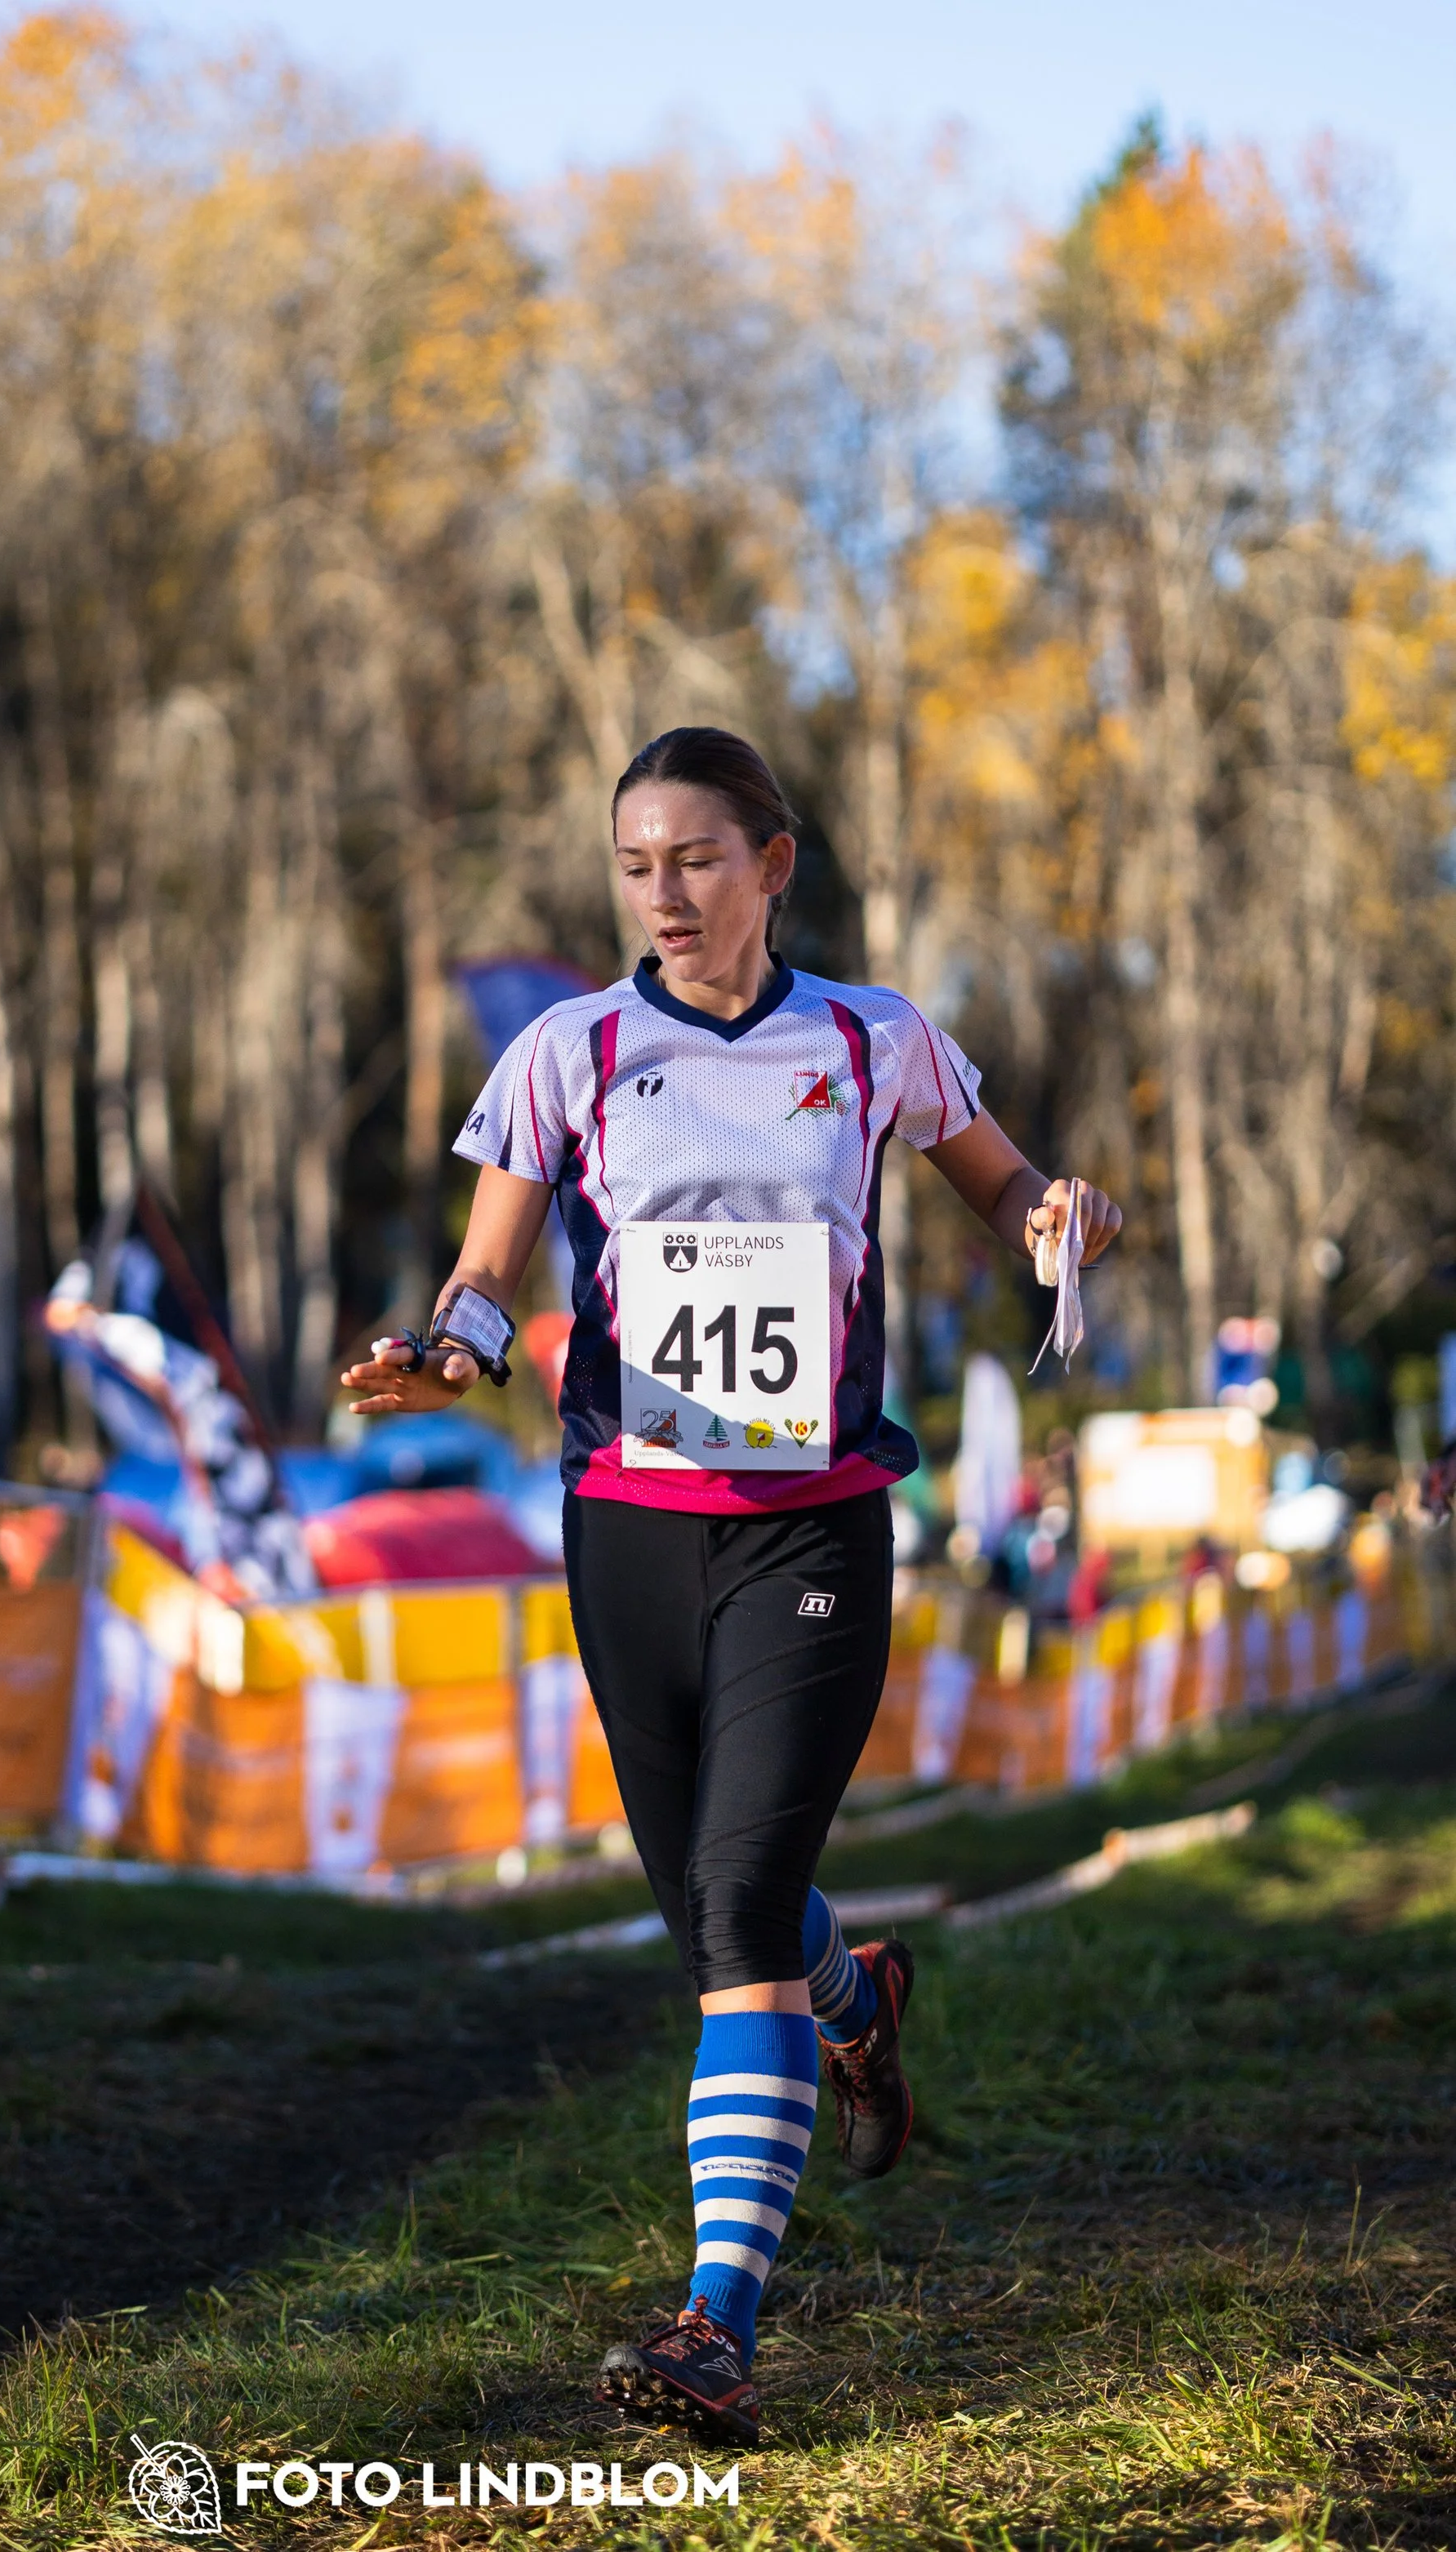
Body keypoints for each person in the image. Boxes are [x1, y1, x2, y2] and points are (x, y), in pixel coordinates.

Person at [343, 727, 1121, 2446]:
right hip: (626, 1523)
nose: (665, 895)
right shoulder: (567, 1052)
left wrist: (1058, 1218)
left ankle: (717, 2318)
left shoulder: (871, 1037)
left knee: (740, 1900)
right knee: (713, 1906)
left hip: (812, 1525)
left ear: (772, 864)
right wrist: (442, 1353)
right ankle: (860, 2002)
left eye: (696, 859)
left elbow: (1007, 1189)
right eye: (636, 866)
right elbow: (486, 1275)